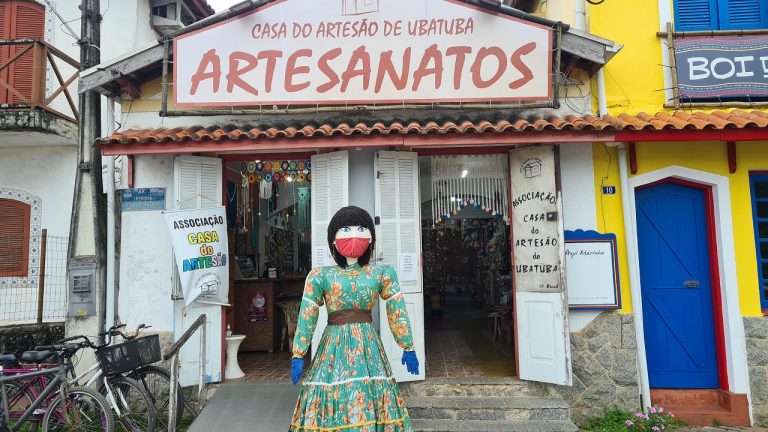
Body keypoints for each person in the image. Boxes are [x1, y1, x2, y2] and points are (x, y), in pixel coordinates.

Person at [289, 206, 419, 432]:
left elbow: (395, 306)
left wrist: (407, 345)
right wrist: (298, 353)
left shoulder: (381, 274)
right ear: (333, 240)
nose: (354, 235)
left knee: (366, 393)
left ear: (370, 239)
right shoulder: (320, 276)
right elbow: (307, 313)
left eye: (361, 228)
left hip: (367, 346)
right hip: (334, 345)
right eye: (345, 229)